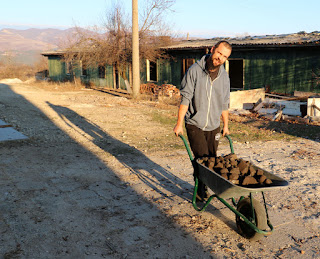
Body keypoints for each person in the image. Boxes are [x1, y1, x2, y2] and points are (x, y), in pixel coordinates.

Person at [173, 40, 232, 201]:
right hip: (194, 123)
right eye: (219, 53)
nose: (220, 58)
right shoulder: (194, 71)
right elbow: (185, 99)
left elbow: (224, 103)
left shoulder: (224, 77)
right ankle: (201, 189)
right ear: (213, 50)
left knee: (212, 160)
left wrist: (225, 125)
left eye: (224, 56)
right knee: (201, 159)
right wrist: (179, 124)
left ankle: (205, 185)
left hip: (213, 125)